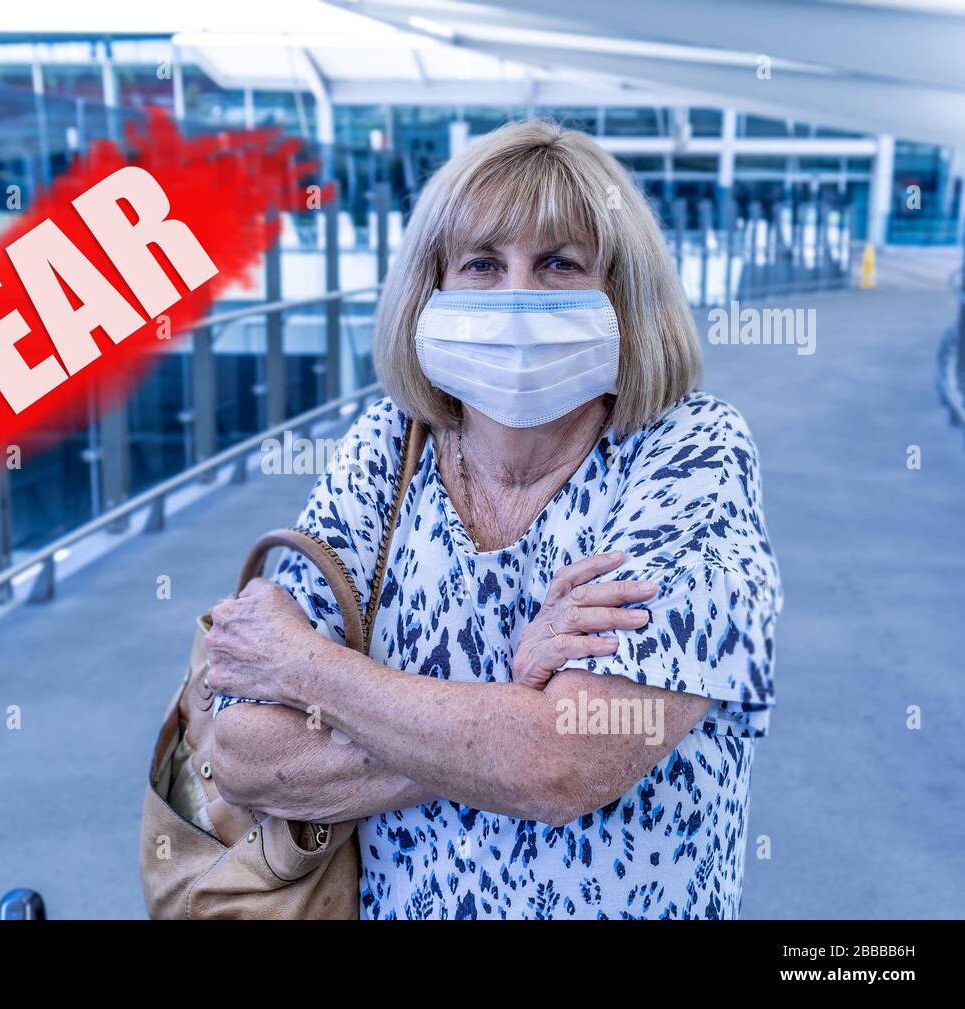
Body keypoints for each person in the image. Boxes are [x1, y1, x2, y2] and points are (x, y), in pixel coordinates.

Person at [202, 119, 782, 920]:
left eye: (558, 263)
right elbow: (240, 754)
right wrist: (509, 704)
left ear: (622, 294)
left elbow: (562, 763)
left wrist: (304, 669)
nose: (516, 293)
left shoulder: (689, 454)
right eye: (481, 262)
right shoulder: (389, 447)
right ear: (429, 289)